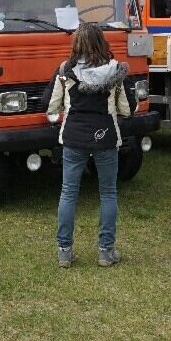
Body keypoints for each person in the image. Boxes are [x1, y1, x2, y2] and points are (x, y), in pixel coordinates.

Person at [46, 22, 131, 268]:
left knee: (68, 192)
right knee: (108, 192)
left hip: (73, 136)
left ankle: (64, 251)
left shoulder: (65, 69)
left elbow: (52, 107)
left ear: (76, 44)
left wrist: (63, 112)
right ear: (101, 43)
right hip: (105, 136)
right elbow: (125, 108)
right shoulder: (115, 70)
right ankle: (106, 251)